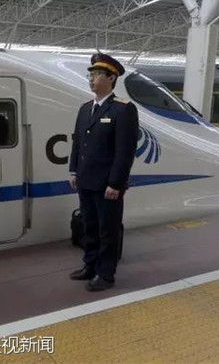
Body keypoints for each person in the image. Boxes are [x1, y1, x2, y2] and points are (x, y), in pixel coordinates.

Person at [68, 53, 139, 292]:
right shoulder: (85, 109)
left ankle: (106, 274)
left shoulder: (123, 110)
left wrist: (116, 183)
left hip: (108, 184)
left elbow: (125, 151)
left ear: (112, 78)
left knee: (107, 230)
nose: (92, 78)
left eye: (98, 74)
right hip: (86, 181)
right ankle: (90, 266)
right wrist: (73, 170)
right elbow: (78, 143)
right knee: (89, 227)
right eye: (91, 74)